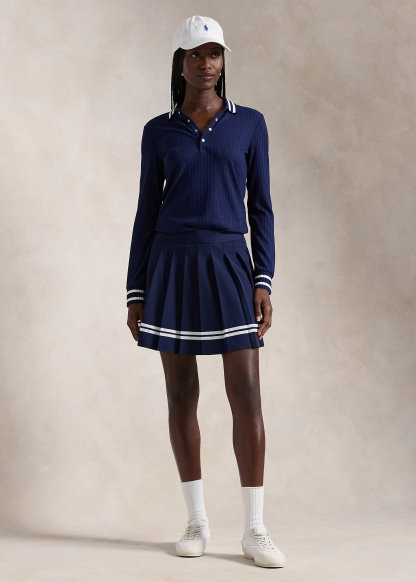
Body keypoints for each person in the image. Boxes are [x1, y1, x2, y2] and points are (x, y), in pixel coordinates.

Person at [126, 15, 286, 568]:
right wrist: (136, 290)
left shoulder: (250, 124)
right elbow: (146, 213)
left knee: (246, 393)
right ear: (180, 62)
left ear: (223, 60)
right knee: (180, 395)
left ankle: (255, 529)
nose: (205, 63)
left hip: (230, 264)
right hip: (170, 265)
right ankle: (196, 520)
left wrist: (263, 279)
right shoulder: (158, 130)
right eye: (195, 54)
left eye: (213, 53)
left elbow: (261, 208)